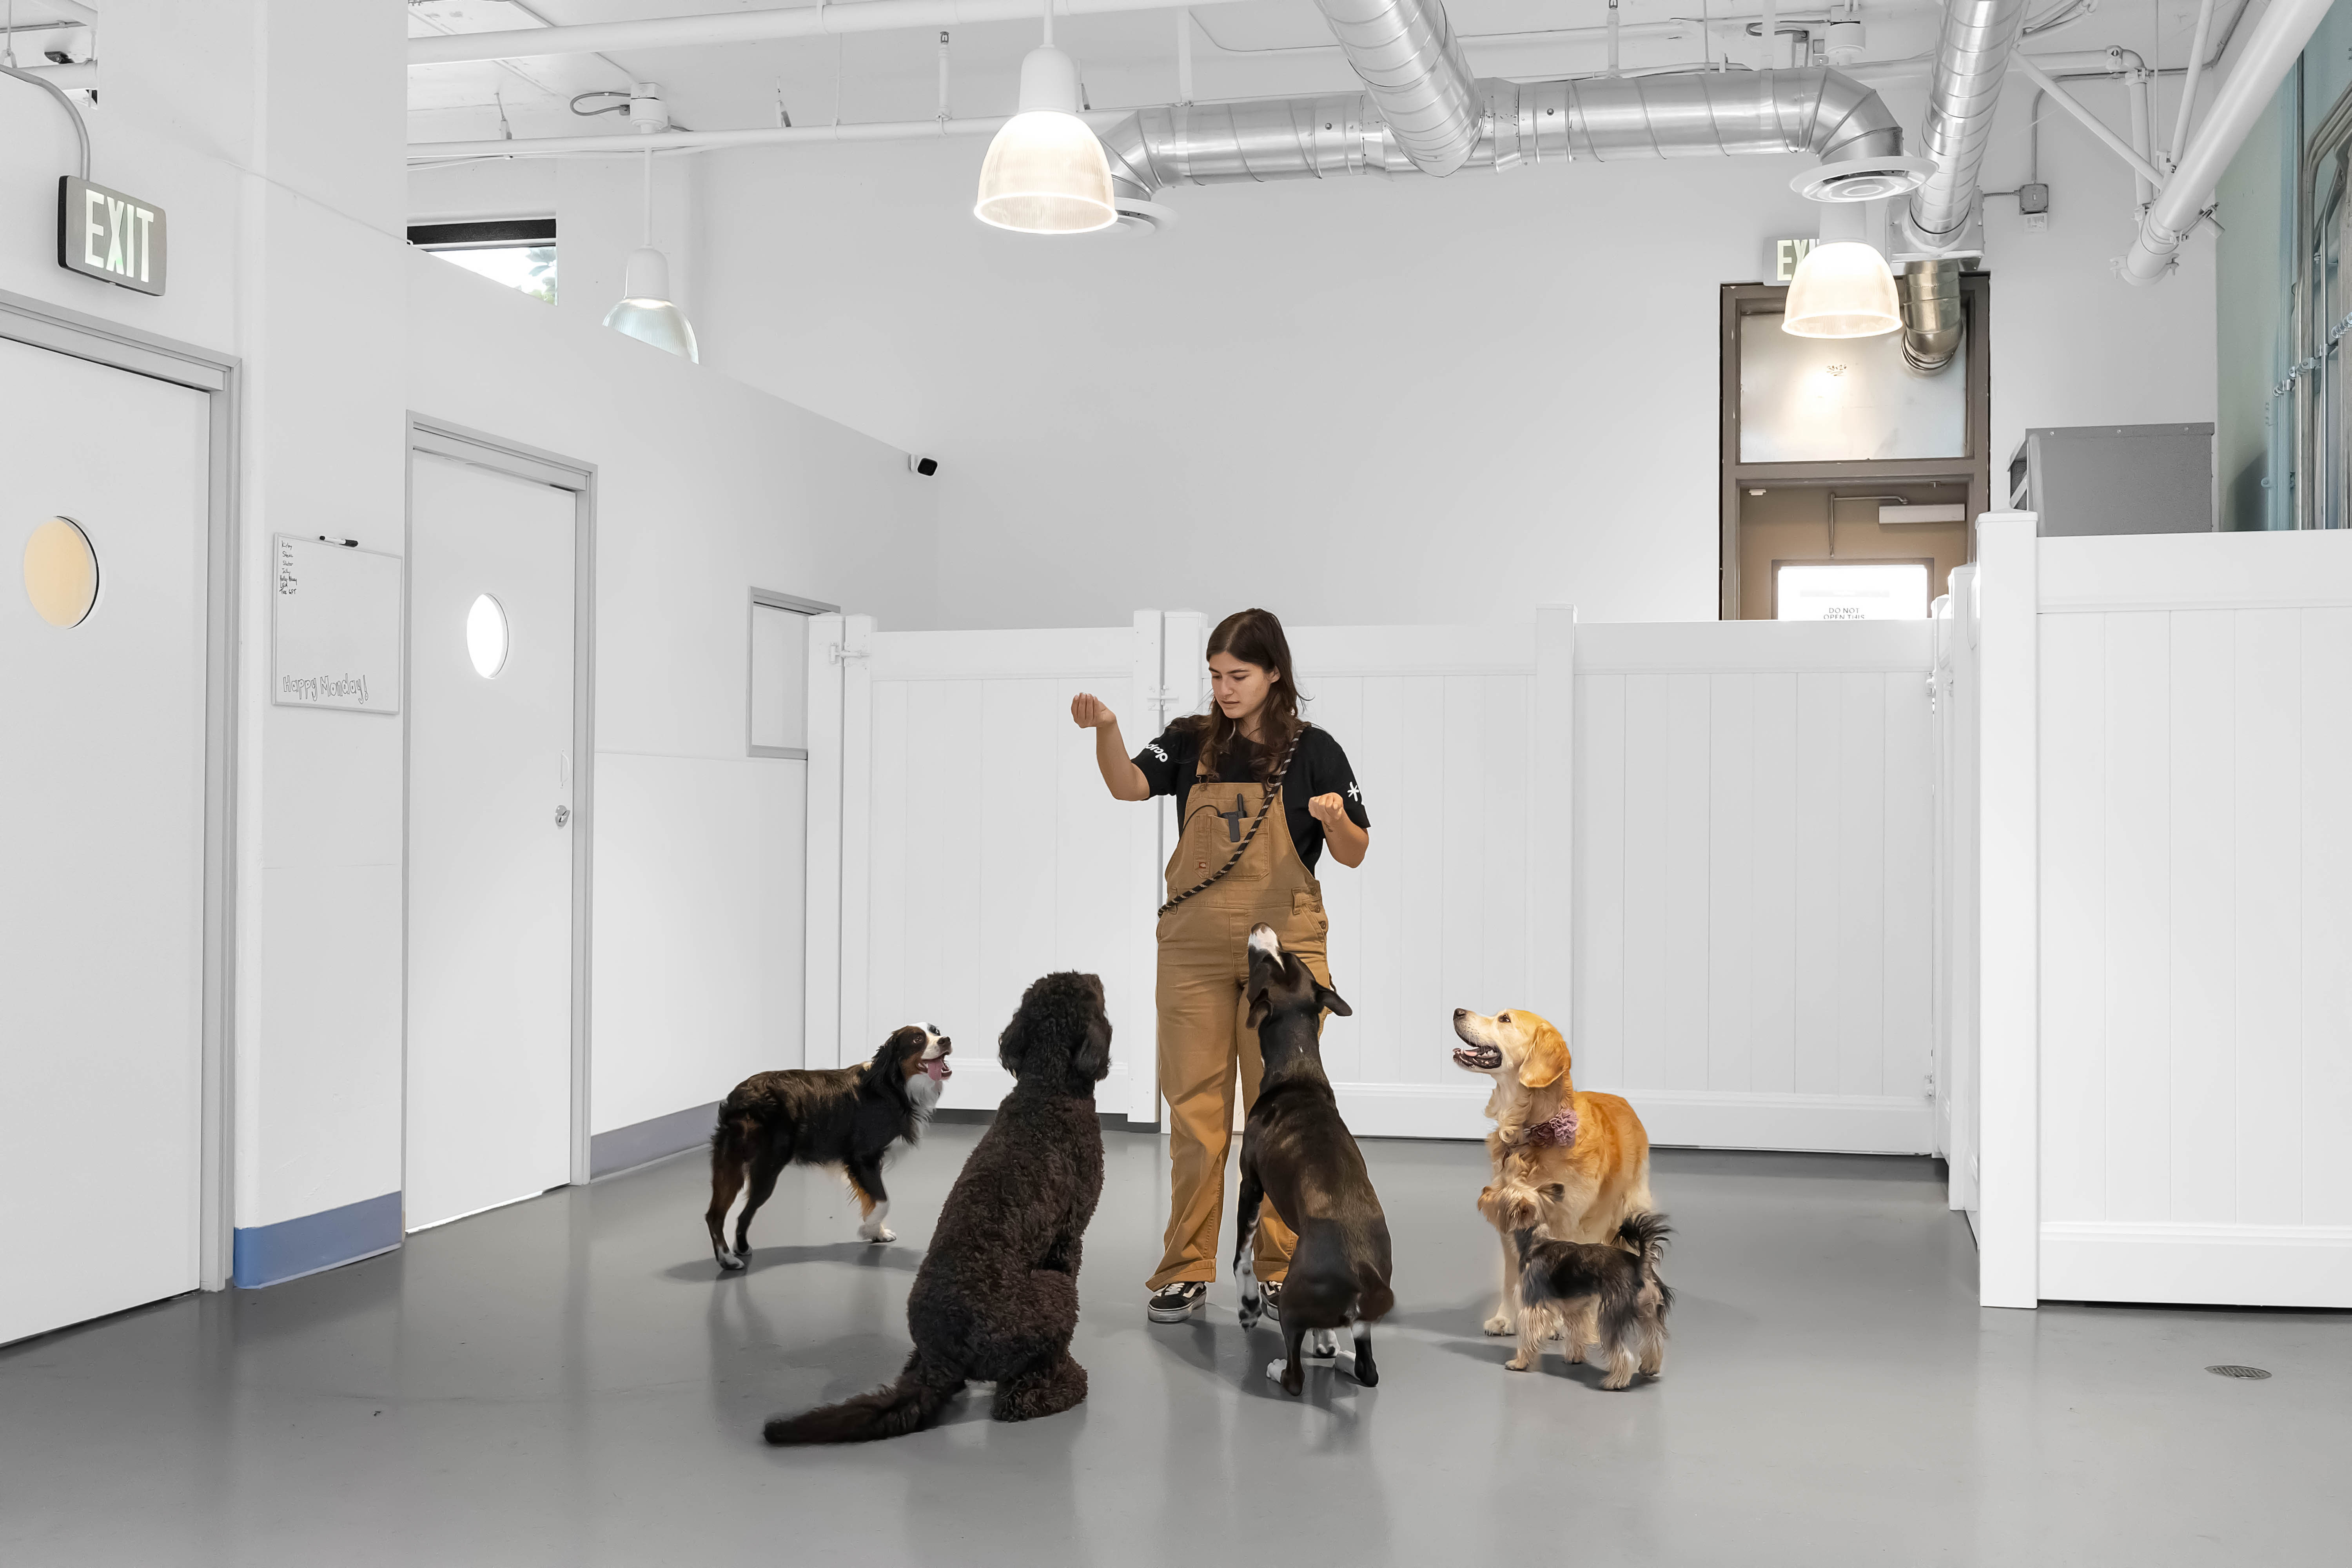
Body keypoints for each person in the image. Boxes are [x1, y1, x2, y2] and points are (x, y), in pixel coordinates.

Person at [1070, 608, 1371, 1323]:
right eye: (1215, 675)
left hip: (1285, 952)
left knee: (1281, 1115)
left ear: (1274, 674)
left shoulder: (1317, 751)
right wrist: (1109, 731)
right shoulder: (1189, 742)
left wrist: (1334, 822)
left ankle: (1276, 1268)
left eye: (1238, 675)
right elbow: (1128, 787)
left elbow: (1357, 851)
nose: (1224, 688)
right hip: (1195, 947)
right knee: (1196, 1112)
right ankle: (1186, 1267)